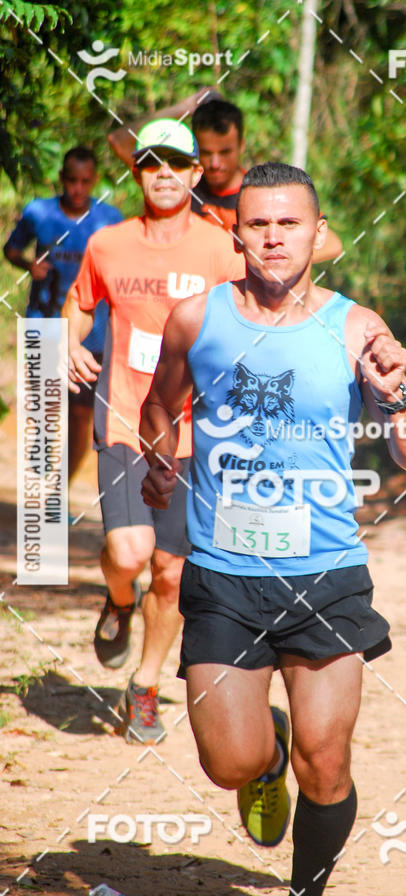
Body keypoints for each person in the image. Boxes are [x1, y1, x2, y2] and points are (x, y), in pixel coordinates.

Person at [139, 162, 406, 894]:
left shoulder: (358, 327)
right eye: (259, 224)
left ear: (319, 233)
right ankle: (264, 756)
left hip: (326, 575)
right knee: (229, 765)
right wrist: (159, 462)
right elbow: (157, 405)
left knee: (327, 761)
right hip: (225, 575)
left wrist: (394, 393)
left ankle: (308, 889)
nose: (274, 237)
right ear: (235, 233)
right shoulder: (196, 319)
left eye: (289, 223)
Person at [64, 119, 245, 744]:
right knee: (130, 556)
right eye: (150, 163)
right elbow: (79, 303)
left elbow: (260, 308)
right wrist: (68, 342)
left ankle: (144, 685)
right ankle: (118, 600)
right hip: (124, 417)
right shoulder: (109, 244)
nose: (164, 173)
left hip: (198, 435)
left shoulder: (223, 249)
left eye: (177, 163)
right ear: (137, 172)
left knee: (170, 572)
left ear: (197, 174)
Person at [3, 146, 122, 482]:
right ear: (61, 179)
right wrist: (28, 265)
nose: (78, 188)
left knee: (82, 417)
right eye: (72, 180)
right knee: (42, 410)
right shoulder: (39, 213)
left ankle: (61, 491)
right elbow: (11, 248)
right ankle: (40, 498)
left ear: (95, 180)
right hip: (44, 324)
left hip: (91, 334)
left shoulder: (109, 219)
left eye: (85, 181)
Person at [108, 92, 343, 261]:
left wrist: (256, 261)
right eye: (207, 153)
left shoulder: (261, 192)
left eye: (225, 152)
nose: (215, 163)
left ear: (241, 145)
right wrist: (184, 107)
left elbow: (332, 245)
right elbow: (119, 140)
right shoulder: (178, 183)